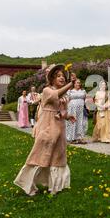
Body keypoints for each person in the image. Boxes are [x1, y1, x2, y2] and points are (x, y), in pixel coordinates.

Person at [14, 64, 76, 196]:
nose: (62, 78)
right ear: (52, 79)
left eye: (63, 76)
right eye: (58, 76)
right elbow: (55, 94)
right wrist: (71, 84)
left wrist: (67, 115)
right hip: (47, 126)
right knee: (40, 154)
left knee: (57, 156)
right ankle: (27, 184)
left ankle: (54, 187)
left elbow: (62, 111)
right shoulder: (48, 90)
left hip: (59, 128)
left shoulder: (64, 96)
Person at [65, 79, 88, 144]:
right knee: (73, 122)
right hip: (72, 109)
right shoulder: (70, 91)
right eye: (77, 83)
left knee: (81, 122)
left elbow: (86, 99)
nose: (78, 84)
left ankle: (80, 138)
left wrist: (87, 106)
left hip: (81, 110)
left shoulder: (83, 91)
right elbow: (67, 100)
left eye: (79, 83)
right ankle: (72, 138)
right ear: (74, 84)